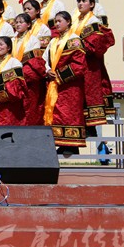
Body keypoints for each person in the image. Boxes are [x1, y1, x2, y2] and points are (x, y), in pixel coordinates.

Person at [43, 11, 87, 154]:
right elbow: (44, 60)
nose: (56, 24)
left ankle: (72, 144)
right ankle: (61, 142)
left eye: (59, 21)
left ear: (68, 22)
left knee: (69, 113)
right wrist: (47, 70)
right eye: (55, 21)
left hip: (70, 85)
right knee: (56, 113)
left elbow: (79, 65)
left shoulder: (74, 40)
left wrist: (58, 75)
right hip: (54, 85)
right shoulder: (53, 41)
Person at [73, 0, 114, 131]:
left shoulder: (93, 21)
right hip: (78, 62)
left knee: (90, 92)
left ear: (91, 4)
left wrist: (77, 46)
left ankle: (91, 127)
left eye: (83, 1)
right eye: (78, 1)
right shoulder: (76, 20)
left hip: (89, 64)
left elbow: (95, 44)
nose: (80, 3)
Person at [12, 13, 47, 126]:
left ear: (28, 24)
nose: (18, 24)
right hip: (13, 80)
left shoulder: (33, 40)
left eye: (21, 22)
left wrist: (21, 75)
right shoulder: (12, 40)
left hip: (28, 80)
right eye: (16, 22)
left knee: (30, 108)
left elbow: (35, 62)